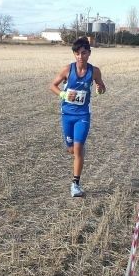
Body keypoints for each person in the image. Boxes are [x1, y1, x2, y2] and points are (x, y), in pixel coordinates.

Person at [49, 37, 106, 198]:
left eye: (84, 53)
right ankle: (75, 149)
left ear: (89, 53)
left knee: (78, 148)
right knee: (71, 149)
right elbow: (52, 86)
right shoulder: (68, 69)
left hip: (83, 115)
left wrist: (100, 89)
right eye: (77, 53)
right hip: (67, 114)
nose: (80, 56)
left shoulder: (94, 71)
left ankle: (75, 184)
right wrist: (63, 94)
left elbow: (101, 87)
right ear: (74, 54)